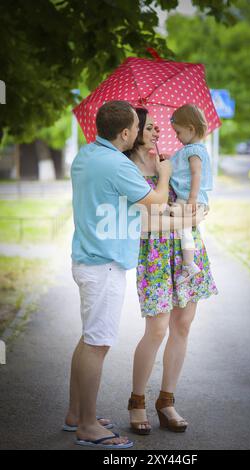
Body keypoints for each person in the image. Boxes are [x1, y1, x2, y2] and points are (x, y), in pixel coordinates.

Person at [64, 100, 172, 449]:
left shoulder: (86, 155)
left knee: (87, 340)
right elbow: (155, 199)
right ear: (126, 133)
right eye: (137, 129)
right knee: (98, 344)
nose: (140, 133)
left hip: (87, 259)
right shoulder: (116, 165)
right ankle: (88, 426)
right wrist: (165, 172)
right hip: (104, 265)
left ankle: (75, 414)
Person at [126, 107, 218, 435]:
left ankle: (166, 401)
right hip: (154, 252)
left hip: (186, 248)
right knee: (157, 329)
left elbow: (197, 197)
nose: (157, 132)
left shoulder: (168, 159)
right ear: (133, 132)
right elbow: (146, 221)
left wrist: (189, 209)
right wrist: (189, 218)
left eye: (156, 127)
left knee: (183, 325)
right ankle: (137, 401)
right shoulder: (129, 168)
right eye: (149, 127)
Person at [169, 104, 213, 285]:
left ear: (191, 129)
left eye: (178, 132)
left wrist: (192, 198)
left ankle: (189, 265)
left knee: (182, 226)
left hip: (189, 197)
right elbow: (181, 169)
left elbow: (196, 174)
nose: (176, 137)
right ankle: (189, 263)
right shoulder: (189, 150)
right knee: (184, 227)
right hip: (188, 197)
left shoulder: (194, 151)